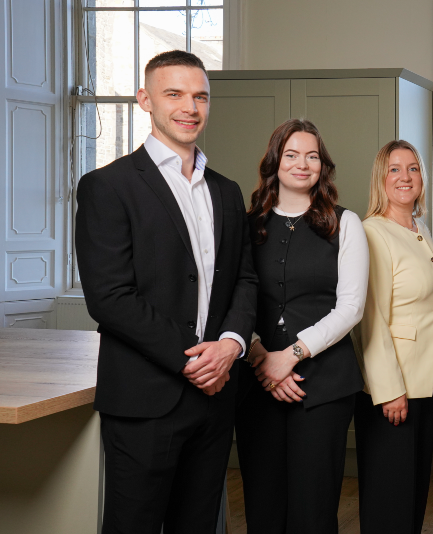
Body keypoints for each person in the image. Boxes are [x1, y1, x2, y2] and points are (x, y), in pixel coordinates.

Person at [75, 50, 258, 534]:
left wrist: (231, 346)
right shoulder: (107, 186)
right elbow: (110, 297)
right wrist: (194, 359)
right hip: (144, 400)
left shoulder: (226, 191)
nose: (189, 107)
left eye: (200, 96)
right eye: (174, 94)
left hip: (216, 399)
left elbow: (244, 279)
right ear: (145, 100)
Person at [234, 118, 369, 534]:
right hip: (257, 383)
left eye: (312, 156)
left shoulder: (346, 224)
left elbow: (351, 308)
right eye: (291, 155)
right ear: (275, 162)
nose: (302, 164)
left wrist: (290, 356)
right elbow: (234, 297)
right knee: (263, 503)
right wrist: (261, 358)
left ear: (322, 166)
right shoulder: (247, 223)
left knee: (314, 506)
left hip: (324, 385)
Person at [352, 140, 433, 534]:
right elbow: (369, 319)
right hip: (392, 389)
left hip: (425, 381)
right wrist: (390, 389)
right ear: (381, 178)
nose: (405, 177)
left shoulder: (417, 228)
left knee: (413, 492)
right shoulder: (371, 232)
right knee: (388, 497)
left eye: (413, 168)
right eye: (394, 169)